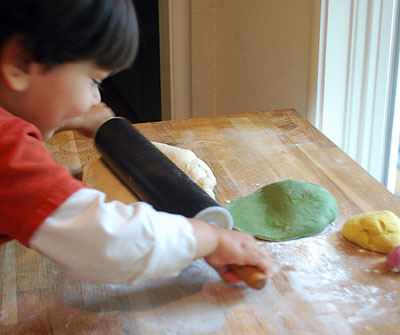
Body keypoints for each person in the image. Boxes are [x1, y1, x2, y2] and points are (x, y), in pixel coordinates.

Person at [0, 0, 273, 285]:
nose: (96, 98)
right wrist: (210, 238)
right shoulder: (7, 150)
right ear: (20, 63)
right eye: (95, 80)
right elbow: (105, 242)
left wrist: (69, 119)